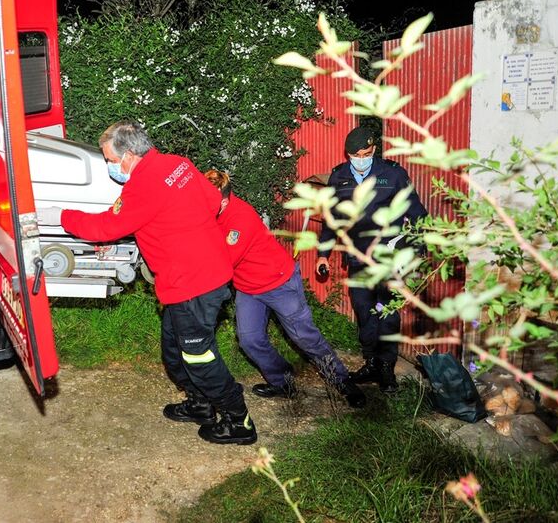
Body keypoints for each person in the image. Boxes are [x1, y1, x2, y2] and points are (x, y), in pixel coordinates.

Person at [37, 121, 255, 445]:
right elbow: (212, 202)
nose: (110, 166)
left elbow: (106, 226)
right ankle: (201, 405)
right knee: (173, 350)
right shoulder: (179, 165)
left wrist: (61, 216)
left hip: (193, 285)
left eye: (110, 160)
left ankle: (239, 421)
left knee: (199, 357)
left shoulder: (143, 185)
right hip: (197, 278)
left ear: (128, 156)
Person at [204, 170, 366, 408]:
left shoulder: (240, 218)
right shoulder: (209, 215)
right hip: (248, 287)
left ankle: (343, 381)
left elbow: (222, 262)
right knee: (250, 339)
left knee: (304, 337)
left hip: (279, 282)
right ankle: (283, 382)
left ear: (225, 200)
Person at [315, 126, 428, 393]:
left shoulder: (393, 174)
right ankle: (371, 362)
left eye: (366, 154)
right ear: (348, 154)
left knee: (387, 313)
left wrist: (417, 248)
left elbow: (417, 213)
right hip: (357, 259)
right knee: (365, 312)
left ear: (374, 150)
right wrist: (323, 254)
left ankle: (387, 368)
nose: (361, 159)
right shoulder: (339, 177)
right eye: (356, 155)